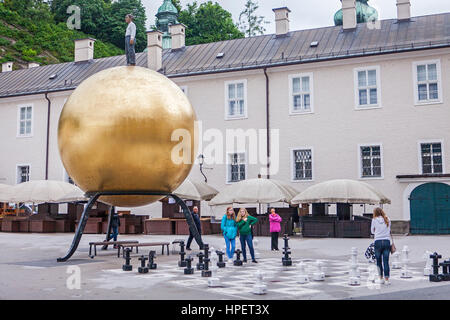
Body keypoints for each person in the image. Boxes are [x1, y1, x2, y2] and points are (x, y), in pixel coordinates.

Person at [371, 207, 392, 285]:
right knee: (386, 261)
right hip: (386, 241)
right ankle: (387, 279)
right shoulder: (388, 219)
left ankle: (381, 278)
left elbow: (372, 231)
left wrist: (377, 231)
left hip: (378, 241)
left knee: (378, 261)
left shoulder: (374, 220)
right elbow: (389, 230)